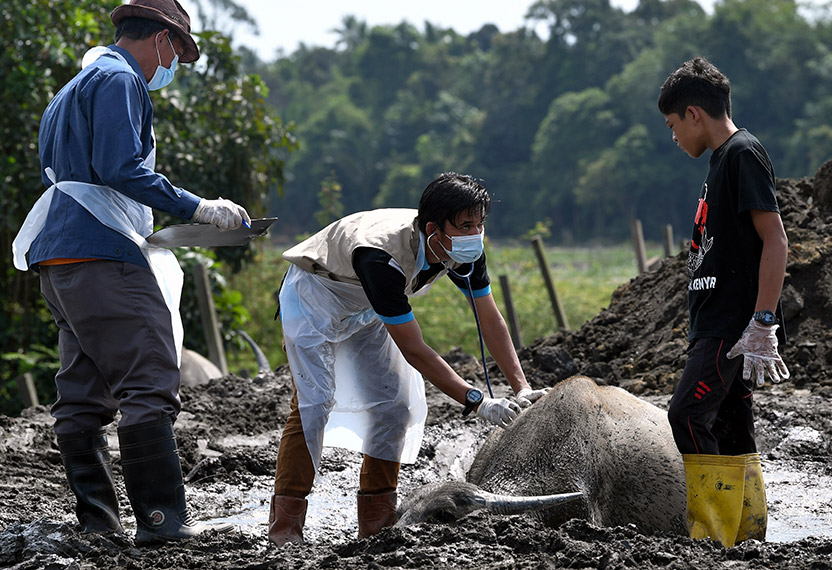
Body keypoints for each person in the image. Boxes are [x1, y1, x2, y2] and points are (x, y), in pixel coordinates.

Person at [11, 0, 249, 545]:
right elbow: (122, 170)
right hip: (103, 256)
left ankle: (99, 522)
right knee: (148, 381)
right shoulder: (120, 80)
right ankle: (162, 524)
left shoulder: (73, 86)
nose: (171, 68)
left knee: (83, 391)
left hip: (60, 257)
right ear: (162, 39)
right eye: (177, 54)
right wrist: (195, 208)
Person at [268, 172, 548, 546]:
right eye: (466, 225)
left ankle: (377, 519)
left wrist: (521, 386)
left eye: (480, 224)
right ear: (434, 229)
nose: (475, 234)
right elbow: (415, 349)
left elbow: (488, 317)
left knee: (396, 405)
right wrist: (475, 399)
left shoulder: (464, 250)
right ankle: (285, 527)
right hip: (317, 294)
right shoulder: (380, 257)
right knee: (314, 402)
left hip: (366, 305)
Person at [658, 56, 790, 547]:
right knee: (732, 425)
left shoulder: (741, 154)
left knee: (686, 416)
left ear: (694, 114)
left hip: (730, 326)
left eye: (673, 125)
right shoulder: (722, 161)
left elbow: (775, 241)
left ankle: (710, 538)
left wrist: (762, 323)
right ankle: (747, 534)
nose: (673, 137)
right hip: (717, 323)